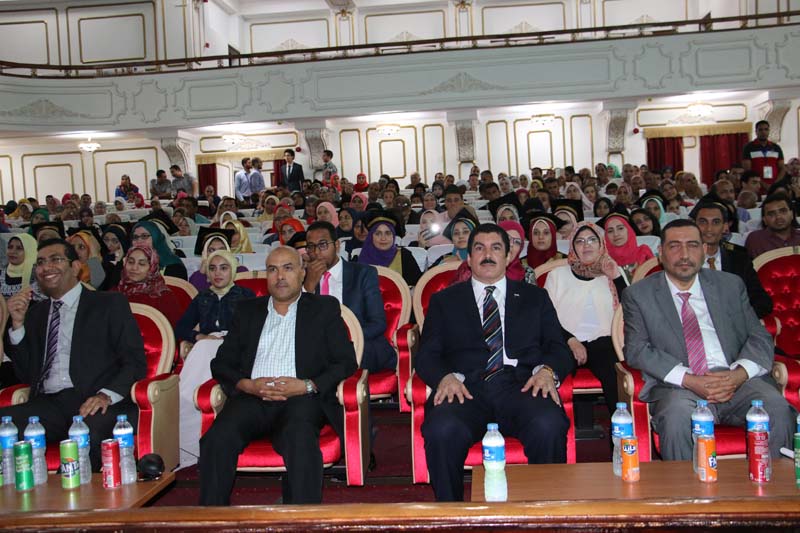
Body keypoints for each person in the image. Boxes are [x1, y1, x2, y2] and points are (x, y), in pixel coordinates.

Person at [415, 223, 574, 501]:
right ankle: (450, 512)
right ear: (469, 257)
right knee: (442, 429)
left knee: (548, 424)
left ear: (508, 255)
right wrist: (444, 377)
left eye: (496, 248)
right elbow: (427, 354)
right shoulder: (445, 301)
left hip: (522, 387)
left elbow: (558, 347)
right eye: (479, 248)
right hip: (465, 390)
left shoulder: (534, 297)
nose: (487, 255)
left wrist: (547, 371)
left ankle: (545, 510)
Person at [622, 220, 796, 460]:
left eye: (693, 245)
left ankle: (772, 483)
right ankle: (685, 485)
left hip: (737, 381)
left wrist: (738, 375)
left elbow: (759, 335)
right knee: (676, 416)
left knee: (777, 408)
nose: (684, 254)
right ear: (661, 253)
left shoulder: (730, 285)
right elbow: (637, 349)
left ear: (704, 250)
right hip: (680, 387)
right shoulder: (639, 294)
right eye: (674, 246)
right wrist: (689, 380)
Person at [199, 246, 357, 505]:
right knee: (217, 439)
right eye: (272, 269)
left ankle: (302, 518)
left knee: (300, 439)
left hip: (301, 400)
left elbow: (346, 362)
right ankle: (211, 517)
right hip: (252, 398)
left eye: (288, 268)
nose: (280, 276)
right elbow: (221, 363)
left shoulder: (323, 309)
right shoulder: (248, 311)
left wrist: (307, 386)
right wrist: (248, 385)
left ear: (302, 273)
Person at [1, 238, 146, 470]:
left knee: (88, 433)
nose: (46, 267)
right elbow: (27, 374)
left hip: (96, 400)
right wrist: (18, 325)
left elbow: (134, 361)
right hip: (49, 405)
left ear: (76, 267)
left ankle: (74, 491)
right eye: (40, 262)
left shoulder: (108, 304)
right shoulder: (36, 314)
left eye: (56, 259)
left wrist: (105, 395)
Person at [175, 251, 255, 467]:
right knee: (194, 372)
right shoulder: (202, 297)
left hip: (236, 349)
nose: (218, 273)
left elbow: (256, 327)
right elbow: (180, 327)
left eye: (224, 268)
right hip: (206, 347)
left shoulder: (245, 295)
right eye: (212, 268)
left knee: (204, 353)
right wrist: (199, 336)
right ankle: (187, 446)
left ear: (233, 270)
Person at [543, 222, 627, 415]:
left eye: (591, 240)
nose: (586, 245)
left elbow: (630, 311)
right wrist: (570, 340)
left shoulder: (612, 271)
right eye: (580, 241)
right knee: (551, 371)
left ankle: (621, 429)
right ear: (572, 247)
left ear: (601, 244)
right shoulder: (557, 275)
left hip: (605, 341)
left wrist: (616, 277)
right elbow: (546, 317)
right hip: (564, 341)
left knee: (614, 372)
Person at [304, 221, 395, 372]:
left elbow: (378, 323)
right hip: (317, 351)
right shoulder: (303, 278)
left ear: (337, 245)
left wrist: (343, 339)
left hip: (358, 345)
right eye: (311, 247)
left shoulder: (363, 274)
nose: (316, 252)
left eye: (323, 245)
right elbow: (298, 323)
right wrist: (309, 286)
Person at [690, 201, 773, 318]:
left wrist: (736, 318)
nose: (709, 228)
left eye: (716, 222)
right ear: (694, 226)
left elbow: (762, 301)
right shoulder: (683, 261)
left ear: (725, 227)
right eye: (703, 222)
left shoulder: (739, 259)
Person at [113, 245, 182, 327]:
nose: (134, 268)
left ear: (152, 267)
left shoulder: (164, 297)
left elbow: (176, 331)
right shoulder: (115, 293)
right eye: (130, 262)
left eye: (142, 264)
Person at [357, 213, 422, 287]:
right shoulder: (362, 258)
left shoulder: (404, 256)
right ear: (371, 236)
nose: (383, 238)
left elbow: (417, 286)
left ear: (393, 236)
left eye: (387, 233)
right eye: (378, 234)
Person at [745, 192, 800, 259]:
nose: (778, 217)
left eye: (783, 211)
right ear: (764, 220)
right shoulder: (755, 240)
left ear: (792, 214)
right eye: (771, 214)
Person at [603, 213, 654, 279]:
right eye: (610, 231)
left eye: (620, 228)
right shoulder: (603, 259)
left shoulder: (643, 252)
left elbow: (657, 277)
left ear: (629, 230)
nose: (616, 234)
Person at [742, 120, 785, 188]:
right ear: (756, 132)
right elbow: (748, 170)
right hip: (756, 186)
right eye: (760, 130)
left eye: (766, 129)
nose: (763, 132)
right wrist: (763, 184)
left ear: (769, 131)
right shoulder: (749, 147)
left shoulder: (776, 147)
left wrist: (775, 184)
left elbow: (782, 168)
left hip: (774, 186)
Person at [0, 234, 44, 301]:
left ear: (30, 251)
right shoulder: (1, 273)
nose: (12, 251)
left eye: (19, 248)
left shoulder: (38, 275)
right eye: (10, 247)